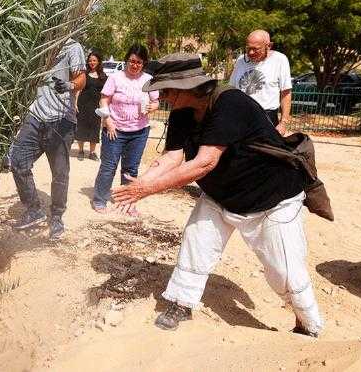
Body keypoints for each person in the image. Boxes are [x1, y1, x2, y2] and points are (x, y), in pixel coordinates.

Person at [111, 53, 323, 337]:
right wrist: (139, 186)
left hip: (271, 198)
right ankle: (181, 302)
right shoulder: (182, 113)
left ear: (188, 86)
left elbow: (204, 162)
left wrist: (146, 189)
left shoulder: (230, 104)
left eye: (168, 89)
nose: (162, 96)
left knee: (285, 269)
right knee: (196, 242)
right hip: (221, 193)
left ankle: (308, 324)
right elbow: (172, 156)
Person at [9, 38, 86, 240]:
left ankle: (57, 216)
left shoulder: (72, 46)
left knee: (60, 174)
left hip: (62, 120)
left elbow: (82, 79)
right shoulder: (38, 39)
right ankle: (34, 209)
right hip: (35, 117)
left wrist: (69, 85)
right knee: (17, 160)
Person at [92, 44, 159, 216]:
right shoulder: (115, 77)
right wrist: (108, 121)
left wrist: (153, 107)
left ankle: (127, 202)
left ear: (144, 63)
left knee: (131, 169)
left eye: (139, 62)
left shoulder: (149, 79)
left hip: (139, 131)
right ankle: (99, 199)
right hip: (115, 129)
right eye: (132, 61)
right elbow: (104, 100)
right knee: (109, 166)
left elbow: (156, 102)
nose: (134, 65)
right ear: (126, 60)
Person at [230, 30, 292, 136]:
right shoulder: (241, 61)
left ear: (268, 46)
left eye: (256, 49)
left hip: (266, 118)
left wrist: (283, 123)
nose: (251, 53)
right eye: (248, 48)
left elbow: (285, 93)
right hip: (240, 118)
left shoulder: (279, 60)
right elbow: (231, 90)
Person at [75, 52, 106, 161]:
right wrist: (75, 103)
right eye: (90, 60)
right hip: (83, 104)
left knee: (95, 128)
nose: (92, 62)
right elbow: (79, 89)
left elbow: (105, 93)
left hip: (96, 106)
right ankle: (81, 151)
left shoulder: (103, 76)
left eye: (94, 60)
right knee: (81, 127)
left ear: (98, 62)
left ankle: (92, 153)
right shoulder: (83, 75)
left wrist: (103, 107)